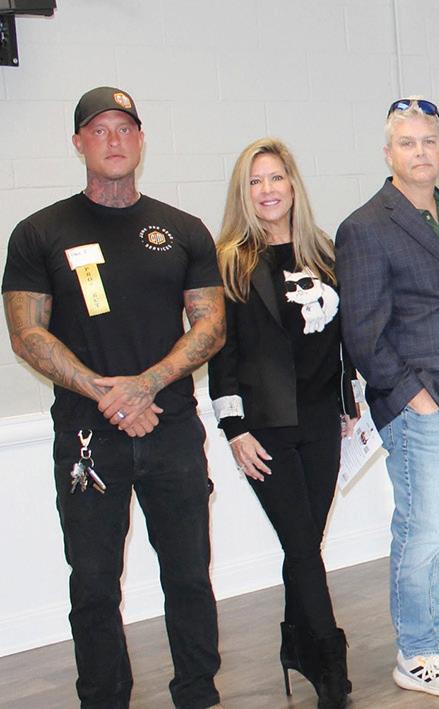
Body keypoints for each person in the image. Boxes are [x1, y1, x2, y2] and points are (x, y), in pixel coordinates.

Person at [3, 86, 226, 709]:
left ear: (141, 139)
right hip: (88, 437)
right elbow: (26, 334)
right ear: (79, 143)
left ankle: (198, 693)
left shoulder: (182, 229)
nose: (114, 140)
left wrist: (145, 384)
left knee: (189, 576)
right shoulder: (39, 233)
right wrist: (105, 392)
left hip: (172, 429)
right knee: (95, 586)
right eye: (99, 130)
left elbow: (211, 326)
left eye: (125, 128)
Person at [335, 97, 439, 697]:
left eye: (429, 141)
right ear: (389, 154)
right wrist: (415, 398)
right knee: (421, 529)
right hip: (422, 407)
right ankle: (415, 652)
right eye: (407, 143)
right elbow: (362, 333)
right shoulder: (365, 227)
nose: (420, 152)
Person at [208, 138, 358, 708]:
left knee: (305, 543)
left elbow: (339, 337)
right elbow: (221, 354)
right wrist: (234, 430)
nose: (267, 190)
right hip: (264, 427)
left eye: (276, 177)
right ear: (243, 193)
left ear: (293, 184)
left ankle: (297, 645)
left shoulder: (324, 252)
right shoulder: (229, 261)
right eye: (255, 181)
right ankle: (329, 662)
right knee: (300, 543)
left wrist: (347, 399)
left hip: (322, 421)